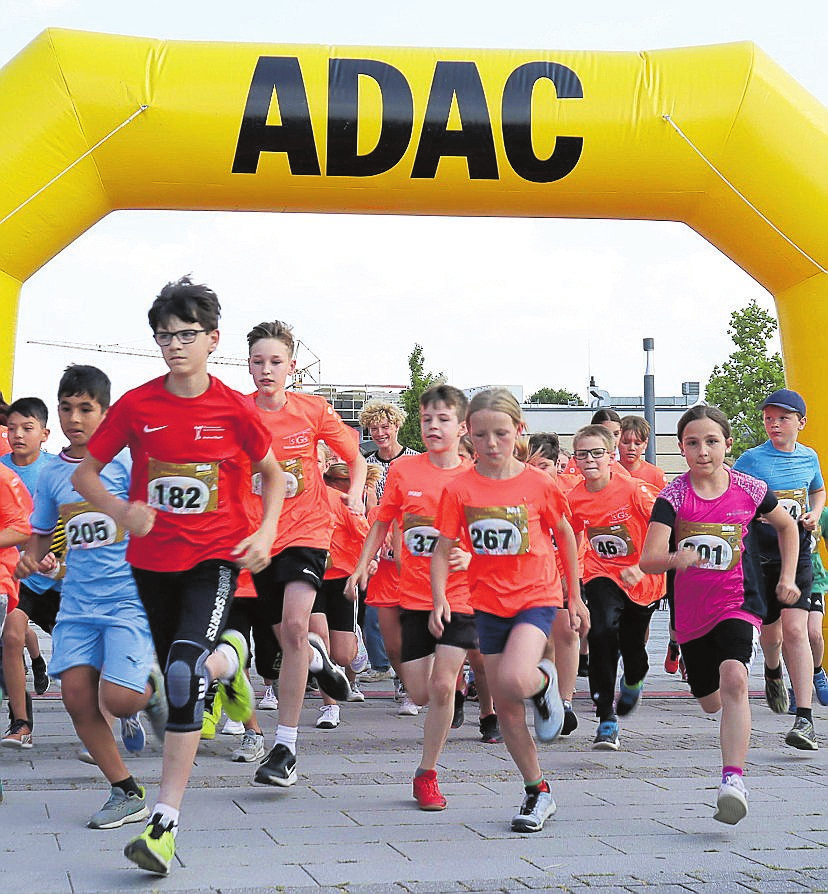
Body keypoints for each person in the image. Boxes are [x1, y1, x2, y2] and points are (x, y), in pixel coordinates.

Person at [72, 278, 285, 875]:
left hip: (214, 559)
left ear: (212, 339)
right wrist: (122, 512)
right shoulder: (138, 405)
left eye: (186, 335)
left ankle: (164, 821)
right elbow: (87, 475)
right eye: (164, 336)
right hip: (151, 564)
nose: (174, 346)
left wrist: (265, 533)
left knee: (183, 673)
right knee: (181, 671)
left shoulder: (234, 407)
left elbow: (273, 476)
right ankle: (232, 660)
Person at [16, 366, 168, 828]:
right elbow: (42, 536)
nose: (74, 418)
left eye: (86, 409)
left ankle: (152, 685)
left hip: (129, 600)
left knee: (120, 700)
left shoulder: (128, 463)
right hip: (77, 605)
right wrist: (31, 559)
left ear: (106, 412)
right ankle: (125, 792)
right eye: (66, 408)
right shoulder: (51, 476)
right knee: (77, 697)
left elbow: (156, 520)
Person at [431, 388, 588, 833]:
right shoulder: (460, 488)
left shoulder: (539, 483)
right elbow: (444, 548)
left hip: (535, 597)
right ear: (468, 434)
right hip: (486, 603)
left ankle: (545, 682)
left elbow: (566, 536)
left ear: (518, 431)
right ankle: (537, 791)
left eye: (501, 433)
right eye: (481, 435)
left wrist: (573, 596)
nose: (491, 443)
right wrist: (440, 596)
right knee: (505, 707)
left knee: (516, 678)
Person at [641, 405, 800, 824]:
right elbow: (649, 559)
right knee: (710, 702)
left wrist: (787, 576)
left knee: (735, 677)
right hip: (692, 612)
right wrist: (678, 557)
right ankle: (705, 687)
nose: (703, 450)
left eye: (711, 441)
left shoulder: (749, 488)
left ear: (727, 444)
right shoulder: (672, 497)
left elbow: (787, 527)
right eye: (693, 443)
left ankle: (733, 780)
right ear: (681, 449)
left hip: (738, 601)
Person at [350, 384, 495, 810]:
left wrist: (472, 556)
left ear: (462, 426)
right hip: (411, 595)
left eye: (443, 419)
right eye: (427, 419)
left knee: (442, 686)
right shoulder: (405, 472)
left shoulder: (476, 475)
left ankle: (427, 773)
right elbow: (383, 521)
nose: (433, 426)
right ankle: (453, 686)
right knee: (419, 694)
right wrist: (363, 563)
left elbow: (491, 538)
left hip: (460, 596)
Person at [242, 320, 366, 790]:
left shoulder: (313, 410)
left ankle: (285, 748)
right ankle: (320, 663)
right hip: (261, 539)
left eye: (276, 361)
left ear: (292, 366)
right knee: (281, 648)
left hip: (308, 532)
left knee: (296, 625)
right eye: (258, 361)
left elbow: (355, 458)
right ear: (248, 366)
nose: (266, 369)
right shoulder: (238, 412)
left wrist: (355, 494)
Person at [733, 388, 825, 750]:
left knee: (796, 630)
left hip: (797, 553)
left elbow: (817, 491)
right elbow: (733, 495)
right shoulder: (751, 460)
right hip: (760, 553)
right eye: (769, 418)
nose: (774, 424)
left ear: (801, 422)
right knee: (771, 637)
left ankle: (805, 719)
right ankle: (772, 670)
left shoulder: (809, 457)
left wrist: (814, 515)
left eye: (783, 418)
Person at [566, 424, 665, 751]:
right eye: (583, 455)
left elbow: (665, 529)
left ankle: (635, 676)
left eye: (597, 453)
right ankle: (606, 718)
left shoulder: (635, 490)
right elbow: (572, 536)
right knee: (601, 632)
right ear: (576, 460)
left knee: (633, 645)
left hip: (642, 578)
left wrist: (643, 565)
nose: (589, 460)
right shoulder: (575, 497)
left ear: (611, 456)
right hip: (601, 573)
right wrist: (571, 581)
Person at [1, 397, 61, 747]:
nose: (18, 435)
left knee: (77, 658)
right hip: (21, 578)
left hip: (63, 578)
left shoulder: (58, 469)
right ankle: (21, 723)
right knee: (11, 637)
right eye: (12, 428)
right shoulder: (0, 469)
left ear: (44, 433)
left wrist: (55, 554)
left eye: (28, 428)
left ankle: (108, 713)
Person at [526, 432, 582, 735]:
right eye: (530, 464)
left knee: (567, 632)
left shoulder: (569, 491)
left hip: (563, 572)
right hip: (530, 577)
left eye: (544, 465)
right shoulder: (520, 491)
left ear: (558, 465)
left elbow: (576, 537)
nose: (537, 472)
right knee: (542, 642)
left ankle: (566, 700)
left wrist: (571, 582)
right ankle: (546, 691)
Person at [788, 504, 828, 712]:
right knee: (792, 634)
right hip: (786, 577)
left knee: (813, 633)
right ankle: (796, 686)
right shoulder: (779, 505)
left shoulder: (823, 513)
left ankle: (818, 672)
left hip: (815, 580)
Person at [618, 415, 668, 489]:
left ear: (645, 443)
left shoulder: (656, 475)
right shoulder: (608, 472)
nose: (632, 448)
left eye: (637, 443)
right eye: (626, 442)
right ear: (617, 442)